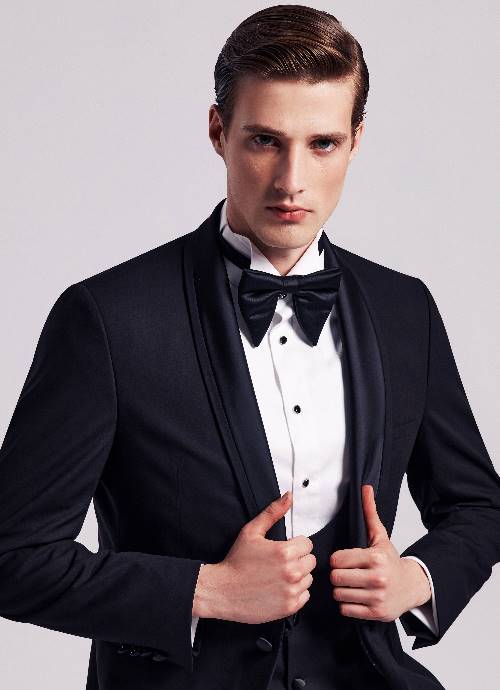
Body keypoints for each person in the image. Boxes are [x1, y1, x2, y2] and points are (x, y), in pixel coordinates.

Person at [0, 5, 499, 690]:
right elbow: (13, 557)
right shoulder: (108, 319)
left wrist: (418, 577)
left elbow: (478, 507)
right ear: (218, 132)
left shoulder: (403, 308)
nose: (292, 180)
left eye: (322, 143)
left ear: (356, 141)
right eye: (265, 140)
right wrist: (205, 590)